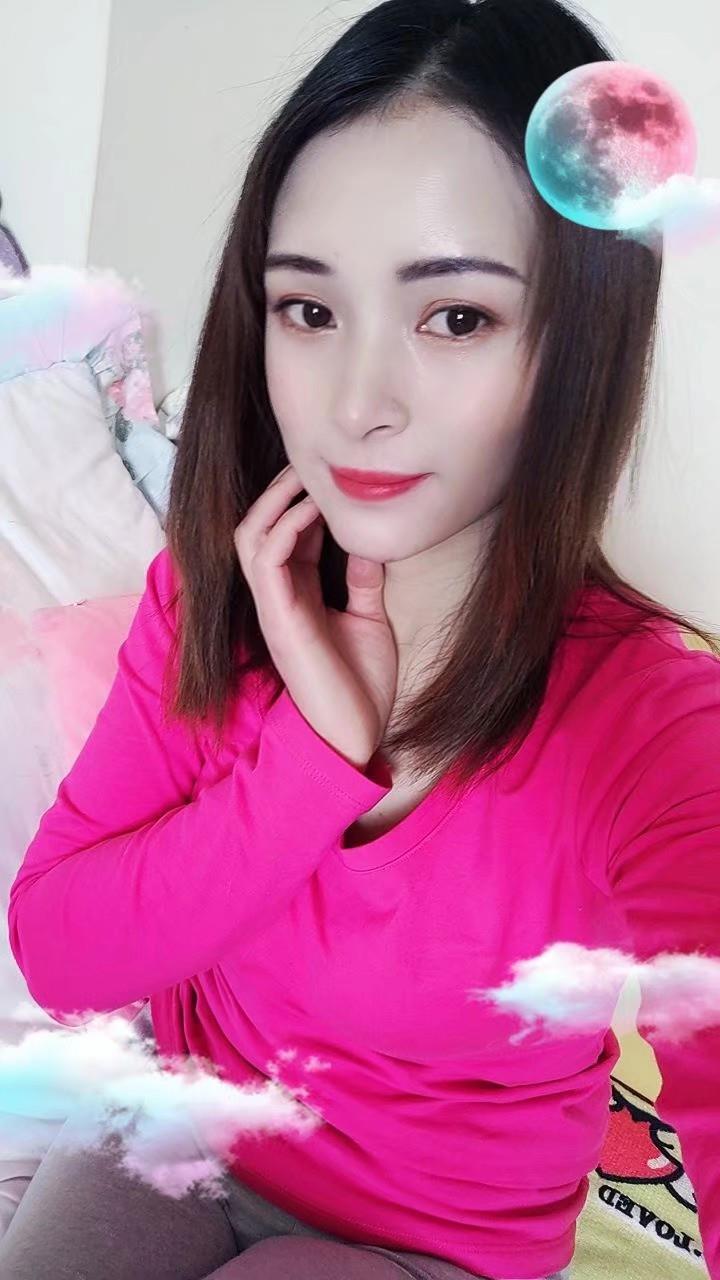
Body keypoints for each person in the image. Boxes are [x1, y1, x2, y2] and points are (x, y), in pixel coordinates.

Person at [5, 0, 720, 1277]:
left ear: (580, 336)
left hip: (431, 1237)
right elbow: (62, 951)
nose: (355, 404)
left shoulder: (655, 727)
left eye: (456, 317)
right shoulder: (217, 593)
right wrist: (309, 761)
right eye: (309, 309)